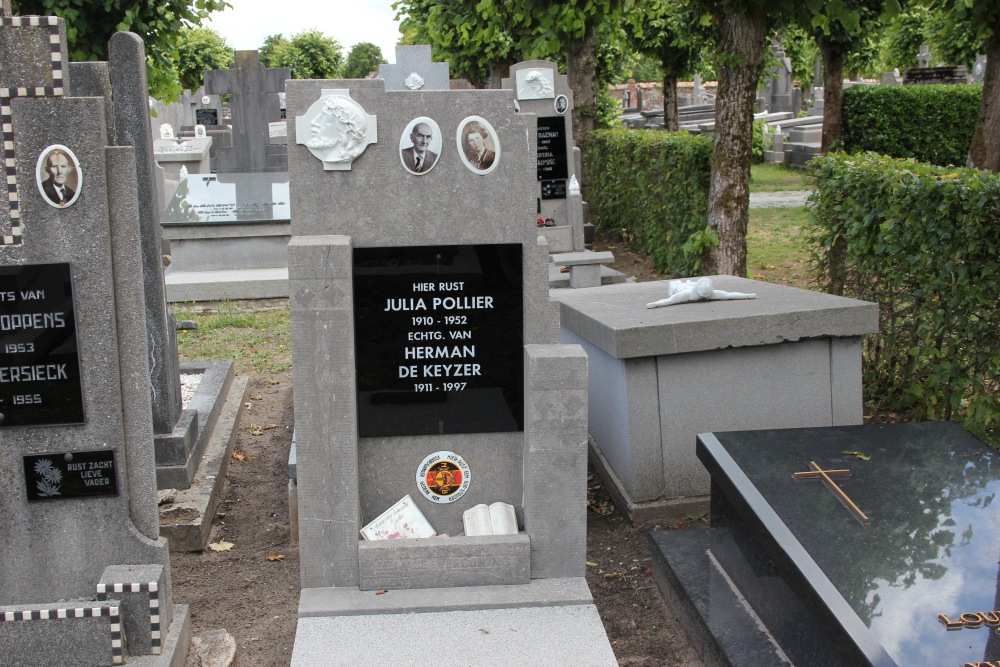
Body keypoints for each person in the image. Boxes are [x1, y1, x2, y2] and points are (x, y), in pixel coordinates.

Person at [646, 277, 756, 308]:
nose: (704, 297)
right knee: (676, 286)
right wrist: (656, 304)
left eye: (706, 295)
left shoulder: (712, 293)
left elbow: (729, 295)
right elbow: (670, 300)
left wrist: (746, 295)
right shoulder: (687, 294)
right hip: (682, 289)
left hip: (692, 287)